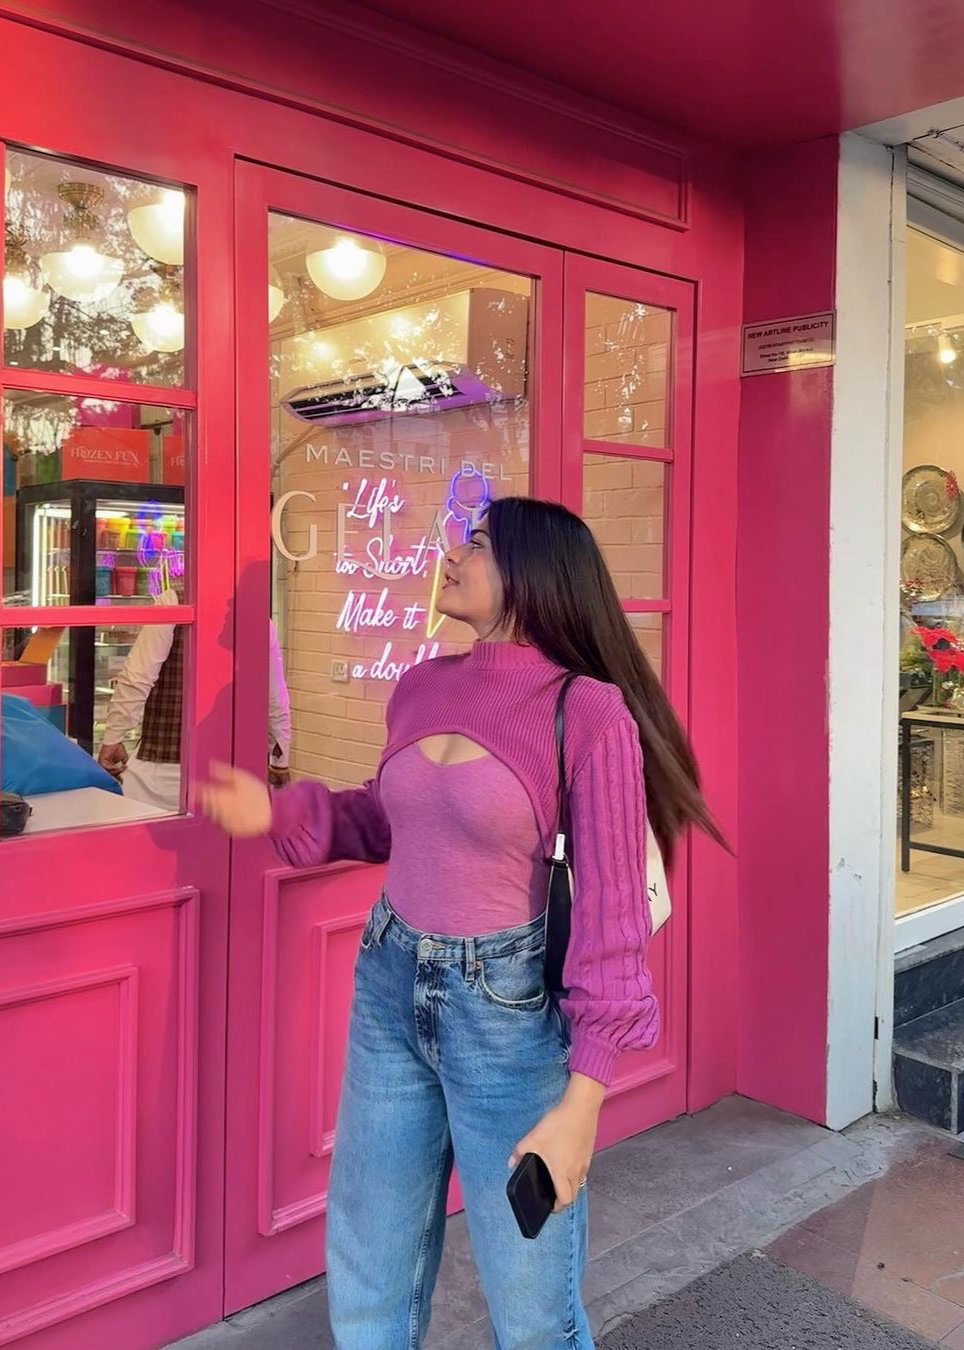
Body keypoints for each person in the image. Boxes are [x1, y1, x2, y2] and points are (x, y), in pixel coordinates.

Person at [199, 497, 721, 1348]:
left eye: (476, 543)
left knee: (531, 1303)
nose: (452, 554)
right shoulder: (421, 686)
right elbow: (387, 818)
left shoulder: (586, 712)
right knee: (370, 1263)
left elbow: (611, 920)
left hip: (506, 1019)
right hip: (388, 983)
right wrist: (280, 811)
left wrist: (583, 1101)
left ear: (531, 572)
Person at [100, 587, 291, 811]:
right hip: (231, 773)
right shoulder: (258, 618)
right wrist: (280, 761)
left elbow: (138, 677)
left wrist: (114, 736)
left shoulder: (173, 601)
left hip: (165, 769)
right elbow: (275, 698)